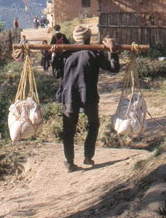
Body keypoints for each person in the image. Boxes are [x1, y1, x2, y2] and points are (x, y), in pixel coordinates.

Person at [50, 25, 120, 173]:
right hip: (89, 97)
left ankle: (69, 162)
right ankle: (88, 156)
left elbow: (56, 73)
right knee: (94, 124)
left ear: (75, 39)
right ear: (89, 39)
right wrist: (113, 53)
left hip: (69, 96)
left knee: (68, 130)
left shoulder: (66, 54)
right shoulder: (94, 53)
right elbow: (113, 68)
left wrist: (55, 56)